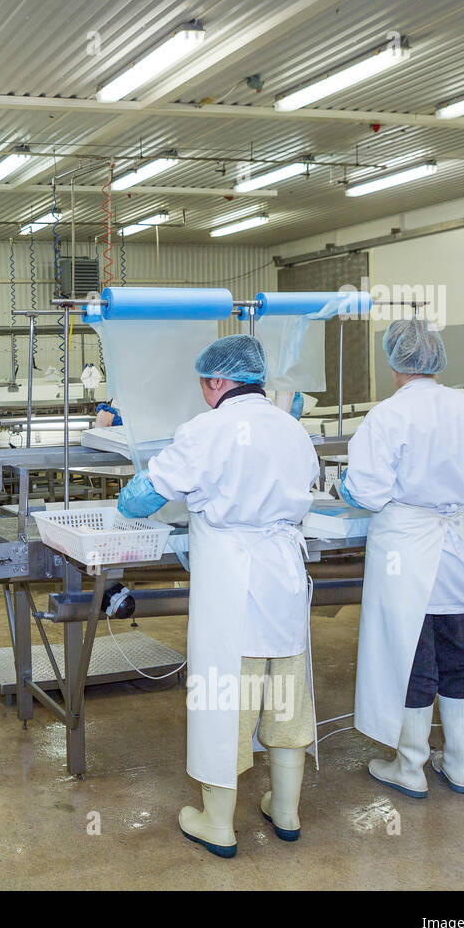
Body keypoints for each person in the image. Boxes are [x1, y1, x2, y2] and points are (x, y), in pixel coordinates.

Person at [117, 335, 319, 858]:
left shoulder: (206, 430)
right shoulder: (292, 428)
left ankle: (218, 822)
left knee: (224, 700)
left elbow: (142, 499)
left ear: (215, 382)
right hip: (286, 582)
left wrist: (131, 490)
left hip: (233, 587)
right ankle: (288, 809)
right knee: (285, 696)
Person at [341, 319, 464, 797]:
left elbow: (367, 491)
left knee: (411, 655)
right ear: (438, 360)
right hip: (458, 551)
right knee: (459, 653)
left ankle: (410, 765)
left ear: (394, 362)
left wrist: (343, 486)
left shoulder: (387, 416)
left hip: (406, 553)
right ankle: (460, 764)